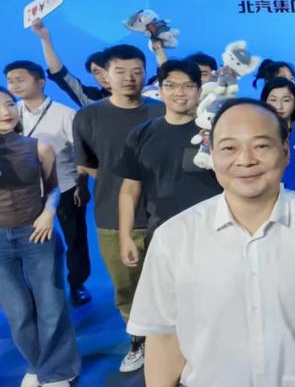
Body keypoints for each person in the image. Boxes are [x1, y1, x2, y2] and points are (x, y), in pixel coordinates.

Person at [127, 99, 295, 387]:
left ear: (285, 152)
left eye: (261, 145)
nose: (245, 160)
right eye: (229, 148)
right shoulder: (174, 237)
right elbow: (163, 335)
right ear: (211, 154)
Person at [72, 44, 165, 372]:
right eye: (120, 72)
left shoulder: (161, 111)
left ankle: (173, 343)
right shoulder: (88, 117)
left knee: (170, 284)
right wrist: (120, 181)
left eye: (137, 71)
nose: (129, 78)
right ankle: (139, 339)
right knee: (126, 287)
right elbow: (87, 164)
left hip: (163, 216)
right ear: (105, 76)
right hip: (113, 217)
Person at [0, 86, 81, 387]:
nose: (6, 111)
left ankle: (59, 372)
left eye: (9, 104)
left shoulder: (39, 147)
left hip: (36, 233)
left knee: (50, 305)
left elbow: (53, 187)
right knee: (17, 311)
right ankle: (38, 364)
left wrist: (49, 212)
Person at [114, 60, 221, 271]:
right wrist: (125, 236)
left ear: (199, 91)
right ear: (160, 90)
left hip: (213, 233)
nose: (179, 92)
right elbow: (129, 188)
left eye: (188, 86)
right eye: (170, 85)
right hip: (161, 233)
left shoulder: (216, 132)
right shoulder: (141, 134)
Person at [5, 60, 91, 307]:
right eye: (10, 81)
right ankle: (32, 289)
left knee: (75, 238)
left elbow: (82, 154)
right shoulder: (10, 113)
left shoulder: (65, 114)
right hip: (25, 193)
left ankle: (77, 283)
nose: (14, 85)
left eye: (20, 79)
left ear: (40, 82)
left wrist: (82, 185)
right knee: (27, 241)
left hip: (64, 187)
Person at [30, 19, 111, 107]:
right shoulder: (94, 99)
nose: (103, 76)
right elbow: (60, 75)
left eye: (106, 69)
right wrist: (45, 38)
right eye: (96, 72)